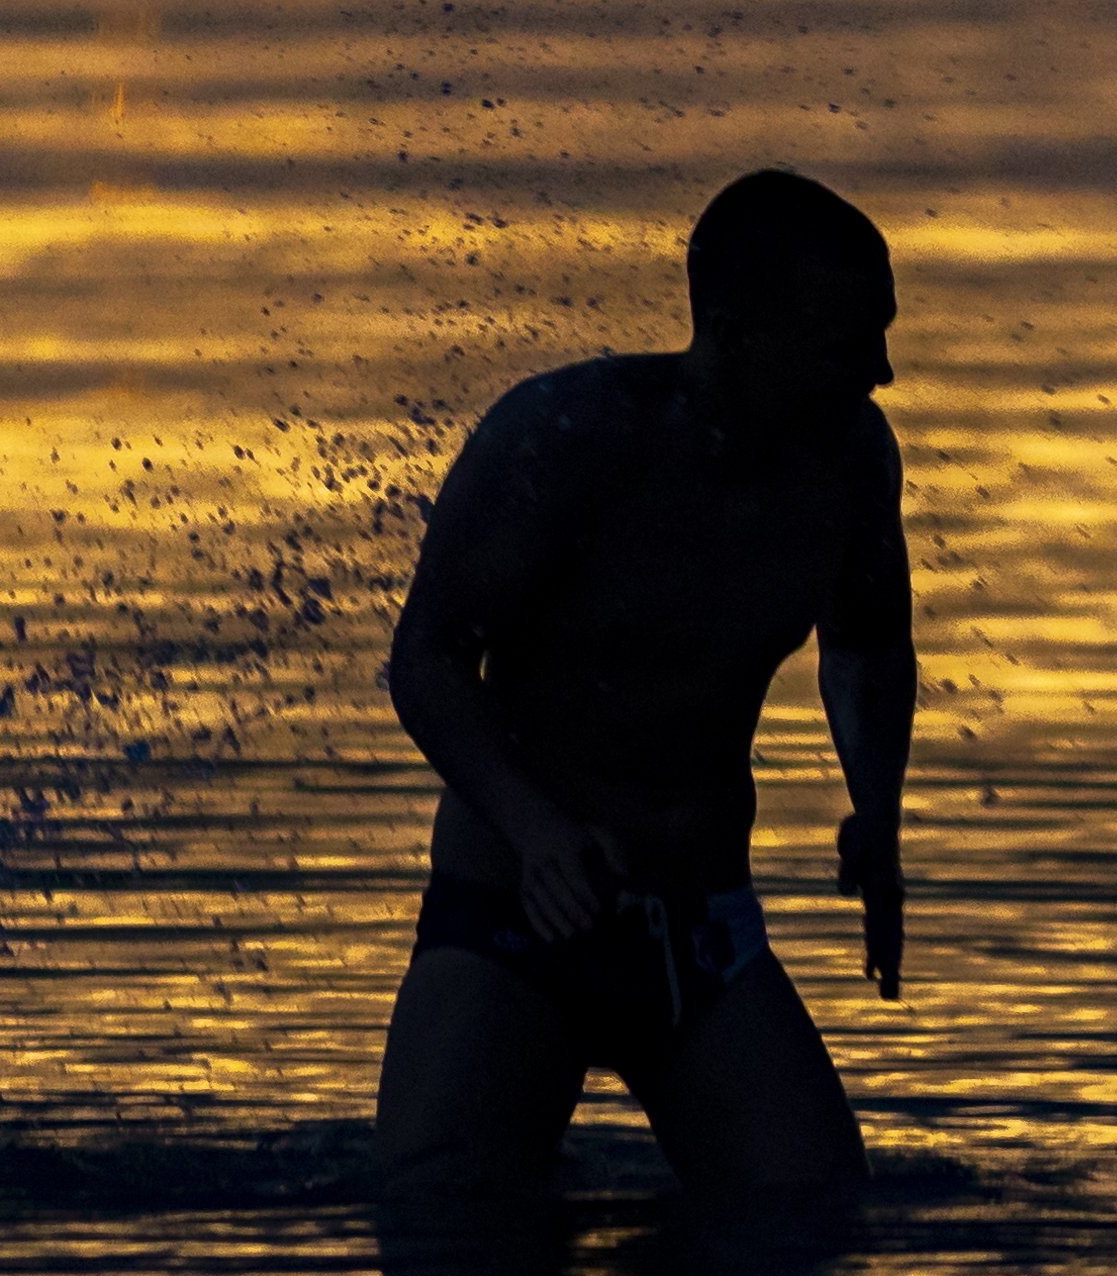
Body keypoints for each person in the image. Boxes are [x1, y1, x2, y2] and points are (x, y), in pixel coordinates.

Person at [373, 168, 918, 1208]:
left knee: (816, 1217)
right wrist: (534, 831)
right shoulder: (566, 440)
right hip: (513, 922)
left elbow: (866, 642)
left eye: (882, 336)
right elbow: (427, 660)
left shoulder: (848, 464)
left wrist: (877, 818)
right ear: (733, 329)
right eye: (847, 346)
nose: (881, 373)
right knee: (444, 1224)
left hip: (699, 935)